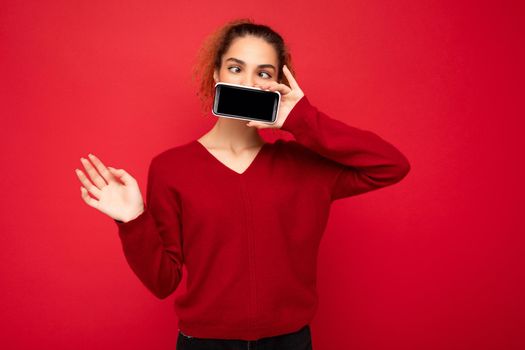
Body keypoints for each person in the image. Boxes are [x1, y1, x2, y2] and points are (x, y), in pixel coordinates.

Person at [75, 18, 410, 350]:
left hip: (289, 343)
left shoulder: (305, 166)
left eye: (263, 74)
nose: (249, 82)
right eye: (236, 68)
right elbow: (164, 282)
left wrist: (302, 118)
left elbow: (390, 165)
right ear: (216, 74)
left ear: (280, 85)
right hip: (204, 344)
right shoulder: (171, 168)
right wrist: (133, 220)